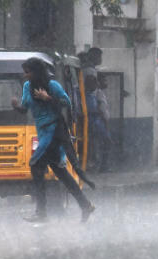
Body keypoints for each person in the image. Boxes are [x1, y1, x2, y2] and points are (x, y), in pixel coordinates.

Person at [12, 57, 95, 223]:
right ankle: (85, 204)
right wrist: (16, 106)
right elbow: (24, 108)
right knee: (60, 172)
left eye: (28, 72)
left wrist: (48, 98)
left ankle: (41, 211)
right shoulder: (27, 87)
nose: (25, 75)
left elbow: (67, 103)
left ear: (36, 72)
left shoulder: (52, 85)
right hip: (42, 132)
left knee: (35, 166)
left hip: (53, 131)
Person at [94, 74, 112, 172]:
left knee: (102, 144)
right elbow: (102, 110)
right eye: (104, 81)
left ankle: (102, 166)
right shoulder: (99, 93)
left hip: (100, 122)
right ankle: (103, 166)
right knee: (106, 143)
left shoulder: (98, 93)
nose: (106, 83)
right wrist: (106, 125)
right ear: (99, 82)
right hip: (101, 123)